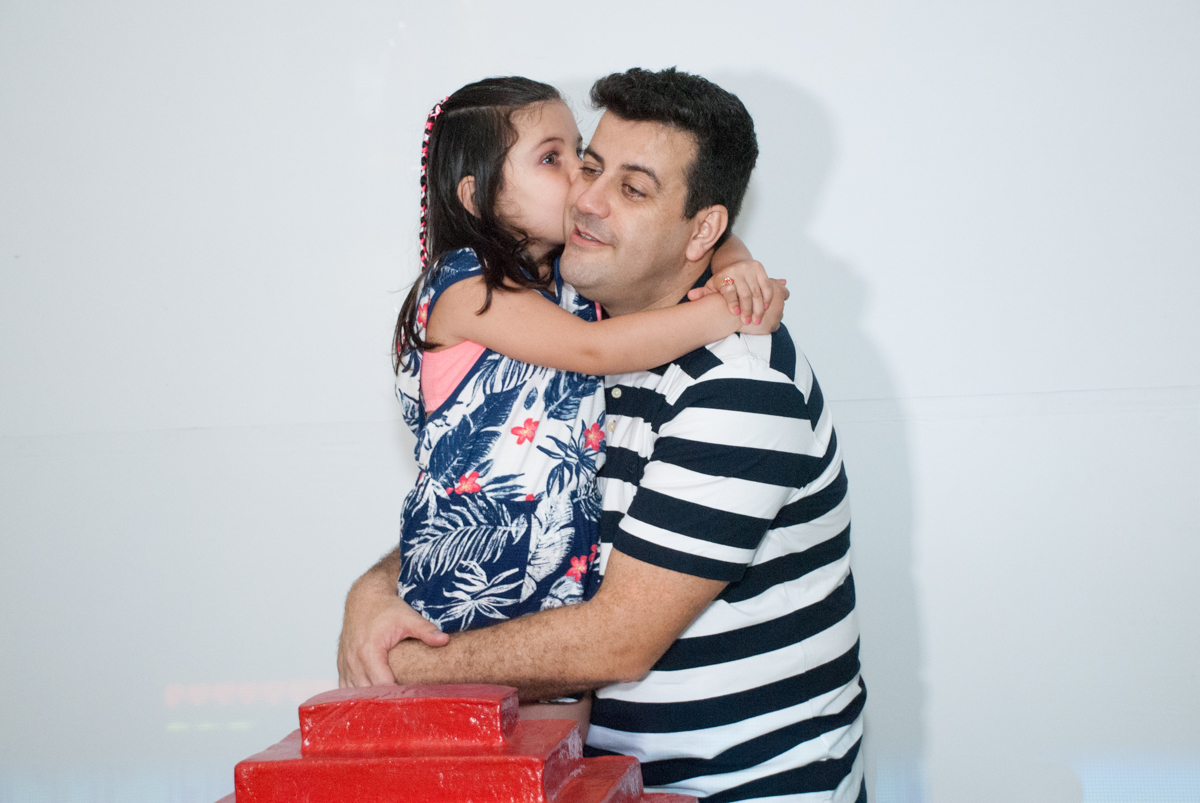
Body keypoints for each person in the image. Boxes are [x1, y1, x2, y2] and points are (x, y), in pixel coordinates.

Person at [340, 68, 864, 802]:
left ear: (701, 229)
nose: (587, 198)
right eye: (586, 166)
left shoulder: (738, 380)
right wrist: (375, 587)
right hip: (605, 784)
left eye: (634, 188)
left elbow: (617, 639)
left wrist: (402, 661)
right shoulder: (578, 338)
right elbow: (501, 495)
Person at [379, 77, 786, 732]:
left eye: (582, 157)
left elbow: (611, 643)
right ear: (477, 194)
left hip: (557, 566)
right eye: (560, 160)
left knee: (557, 760)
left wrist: (733, 255)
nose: (581, 187)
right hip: (470, 578)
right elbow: (594, 351)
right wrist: (722, 311)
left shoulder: (569, 286)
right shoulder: (465, 285)